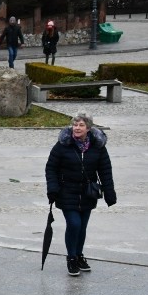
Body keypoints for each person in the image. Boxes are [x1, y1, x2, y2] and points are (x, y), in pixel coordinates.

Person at [45, 112, 116, 276]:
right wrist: (53, 188)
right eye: (75, 125)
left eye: (81, 125)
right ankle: (71, 258)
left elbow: (105, 170)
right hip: (66, 191)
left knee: (82, 227)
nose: (77, 128)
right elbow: (51, 168)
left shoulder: (98, 146)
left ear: (88, 128)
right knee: (74, 224)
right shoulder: (62, 145)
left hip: (88, 193)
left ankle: (78, 255)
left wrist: (109, 192)